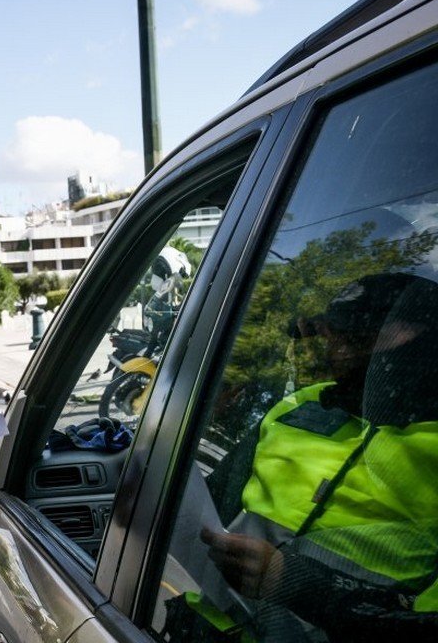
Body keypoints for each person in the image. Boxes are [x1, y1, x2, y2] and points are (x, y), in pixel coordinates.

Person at [184, 273, 438, 639]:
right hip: (198, 629)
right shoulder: (299, 405)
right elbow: (206, 504)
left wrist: (295, 583)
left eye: (358, 338)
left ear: (421, 339)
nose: (335, 352)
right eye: (331, 335)